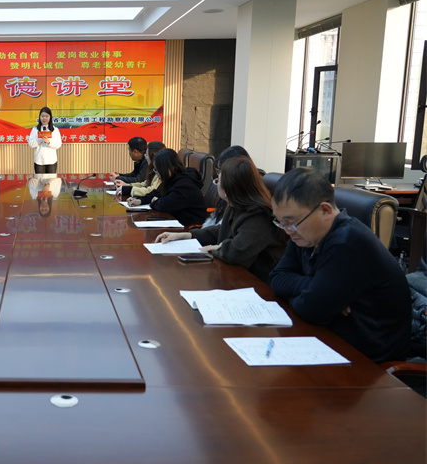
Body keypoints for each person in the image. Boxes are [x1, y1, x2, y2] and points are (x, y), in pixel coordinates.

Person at [269, 167, 411, 362]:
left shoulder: (347, 243)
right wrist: (314, 287)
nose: (287, 231)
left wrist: (314, 296)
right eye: (281, 223)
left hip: (369, 361)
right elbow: (277, 278)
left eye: (290, 222)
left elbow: (310, 309)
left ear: (325, 210)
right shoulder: (304, 234)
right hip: (330, 341)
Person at [155, 156, 286, 283]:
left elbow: (237, 252)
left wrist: (216, 248)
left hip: (258, 283)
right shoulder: (235, 204)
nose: (216, 183)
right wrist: (186, 235)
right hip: (239, 274)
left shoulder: (258, 215)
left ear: (229, 188)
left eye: (218, 181)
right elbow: (221, 230)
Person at [129, 148, 207, 226]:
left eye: (158, 170)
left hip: (189, 227)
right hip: (175, 221)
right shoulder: (172, 178)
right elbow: (157, 192)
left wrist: (156, 202)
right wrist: (140, 201)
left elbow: (165, 205)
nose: (157, 174)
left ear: (170, 169)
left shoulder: (185, 184)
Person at [202, 145, 254, 228]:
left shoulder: (251, 212)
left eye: (221, 171)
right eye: (218, 171)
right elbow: (219, 231)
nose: (218, 178)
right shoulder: (230, 203)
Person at [27, 106, 62, 173]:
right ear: (39, 117)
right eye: (42, 116)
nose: (44, 118)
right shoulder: (35, 129)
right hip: (39, 161)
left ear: (50, 117)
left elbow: (58, 145)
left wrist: (49, 142)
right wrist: (40, 139)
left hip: (51, 161)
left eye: (46, 116)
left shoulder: (55, 130)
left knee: (51, 182)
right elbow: (31, 144)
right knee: (39, 182)